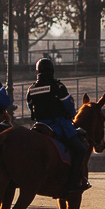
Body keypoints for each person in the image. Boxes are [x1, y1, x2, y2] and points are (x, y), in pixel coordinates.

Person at [26, 54, 90, 192]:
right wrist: (72, 117)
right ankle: (73, 183)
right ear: (52, 70)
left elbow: (30, 107)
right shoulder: (58, 86)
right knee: (80, 150)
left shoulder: (31, 89)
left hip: (40, 125)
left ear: (37, 72)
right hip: (59, 125)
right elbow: (68, 106)